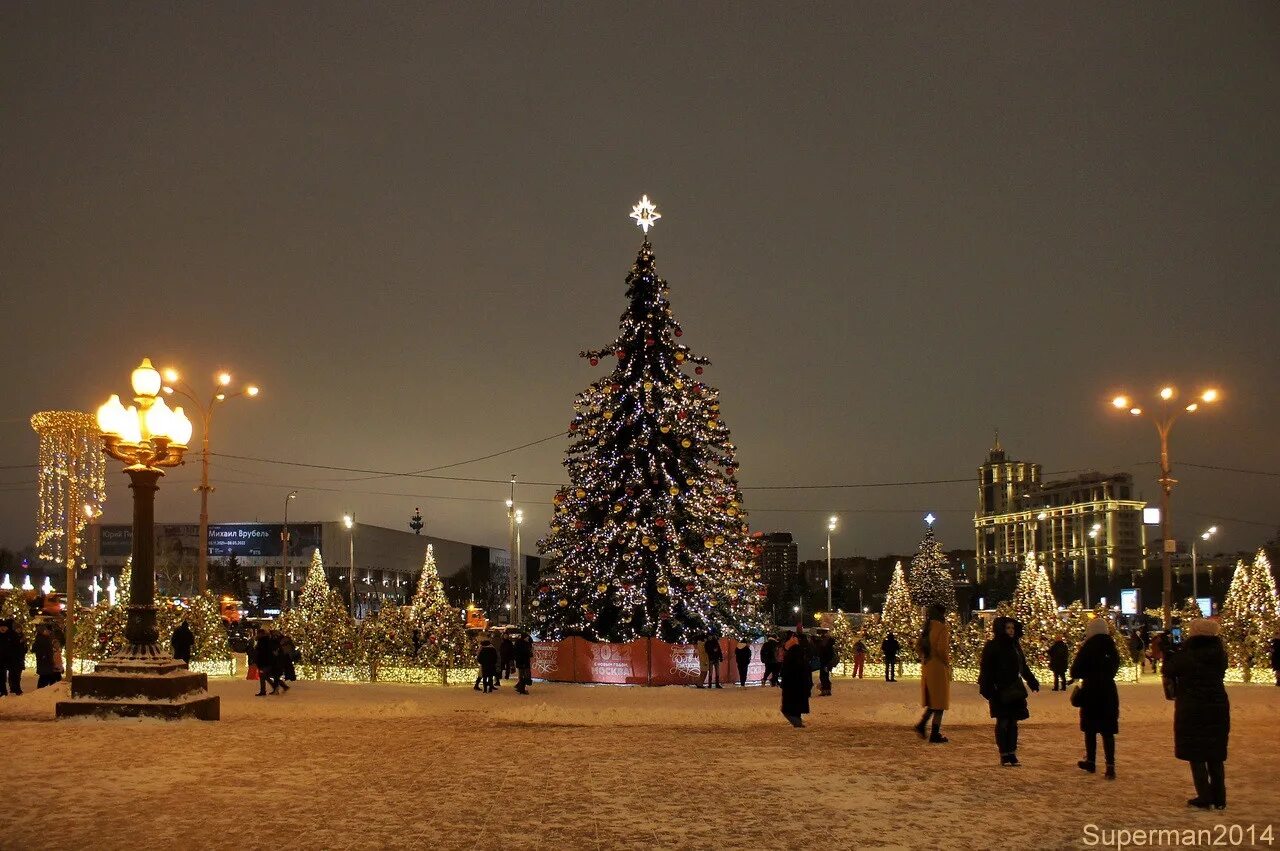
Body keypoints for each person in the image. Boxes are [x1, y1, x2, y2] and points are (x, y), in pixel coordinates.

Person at [1163, 618, 1230, 810]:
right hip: (1217, 704)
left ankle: (1204, 795)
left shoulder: (1189, 653)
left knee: (1197, 752)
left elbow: (1170, 668)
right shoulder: (1219, 653)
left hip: (1193, 706)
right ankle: (1219, 796)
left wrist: (1170, 653)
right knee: (1215, 753)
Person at [978, 616, 1040, 765]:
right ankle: (1004, 753)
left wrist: (1032, 681)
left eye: (1012, 628)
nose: (1011, 631)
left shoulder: (1015, 646)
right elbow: (986, 668)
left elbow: (1023, 666)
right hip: (999, 689)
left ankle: (1012, 753)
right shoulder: (993, 646)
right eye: (1008, 628)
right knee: (1003, 721)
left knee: (1013, 722)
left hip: (1015, 689)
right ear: (1001, 630)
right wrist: (987, 687)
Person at [1071, 618, 1120, 779]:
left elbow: (1075, 670)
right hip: (1108, 690)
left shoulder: (1088, 647)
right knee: (1107, 730)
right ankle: (1110, 765)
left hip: (1091, 690)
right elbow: (1115, 666)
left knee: (1090, 728)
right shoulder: (1111, 646)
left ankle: (1091, 761)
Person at [914, 604, 951, 743]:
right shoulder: (942, 628)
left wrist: (925, 657)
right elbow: (942, 650)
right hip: (938, 669)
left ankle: (922, 725)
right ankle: (934, 733)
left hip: (927, 666)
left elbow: (918, 646)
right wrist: (947, 662)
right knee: (939, 703)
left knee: (933, 701)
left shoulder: (927, 628)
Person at [780, 631, 813, 727]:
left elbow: (787, 670)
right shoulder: (800, 652)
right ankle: (797, 720)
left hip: (792, 683)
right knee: (796, 705)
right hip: (800, 683)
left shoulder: (792, 654)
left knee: (788, 707)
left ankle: (797, 722)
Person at [254, 628, 287, 696]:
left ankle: (267, 690)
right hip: (265, 662)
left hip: (265, 662)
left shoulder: (263, 641)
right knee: (268, 676)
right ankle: (280, 686)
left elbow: (262, 653)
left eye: (259, 633)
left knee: (265, 676)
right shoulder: (265, 640)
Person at [0, 619, 26, 696]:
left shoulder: (12, 634)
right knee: (1, 676)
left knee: (15, 674)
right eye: (1, 627)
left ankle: (16, 689)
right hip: (1, 659)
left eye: (4, 627)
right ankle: (3, 690)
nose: (3, 628)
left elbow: (17, 647)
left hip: (12, 658)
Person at [33, 623, 58, 688]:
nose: (47, 631)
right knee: (45, 677)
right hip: (44, 661)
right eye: (45, 630)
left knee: (46, 676)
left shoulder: (46, 638)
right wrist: (44, 656)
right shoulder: (41, 639)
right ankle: (42, 690)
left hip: (47, 660)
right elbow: (37, 649)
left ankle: (45, 689)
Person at [816, 629, 835, 696]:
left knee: (823, 676)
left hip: (824, 662)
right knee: (825, 676)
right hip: (826, 662)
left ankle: (825, 690)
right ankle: (827, 690)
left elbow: (823, 653)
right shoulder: (829, 645)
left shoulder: (825, 645)